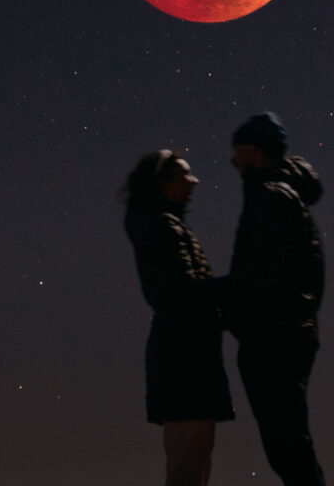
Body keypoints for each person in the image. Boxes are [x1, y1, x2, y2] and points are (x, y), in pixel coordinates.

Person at [221, 112, 327, 486]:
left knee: (289, 449)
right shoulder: (279, 193)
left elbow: (263, 276)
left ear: (252, 150)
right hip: (285, 334)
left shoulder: (269, 197)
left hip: (274, 339)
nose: (233, 160)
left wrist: (226, 306)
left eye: (237, 151)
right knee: (290, 446)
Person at [122, 150, 234, 486]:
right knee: (189, 463)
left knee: (193, 461)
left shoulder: (162, 225)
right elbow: (187, 293)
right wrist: (243, 285)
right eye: (184, 173)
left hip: (184, 360)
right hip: (185, 363)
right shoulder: (162, 229)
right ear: (163, 182)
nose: (194, 180)